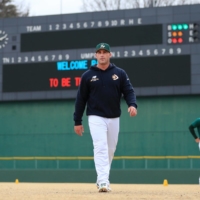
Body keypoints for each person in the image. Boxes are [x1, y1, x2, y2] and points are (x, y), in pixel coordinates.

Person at [73, 42, 137, 192]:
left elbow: (128, 91)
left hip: (114, 117)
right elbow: (80, 99)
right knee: (100, 146)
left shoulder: (119, 73)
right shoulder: (87, 75)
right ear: (95, 55)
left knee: (110, 149)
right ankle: (103, 181)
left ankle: (101, 177)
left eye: (105, 52)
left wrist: (132, 104)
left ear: (110, 54)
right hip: (95, 116)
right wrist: (77, 120)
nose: (102, 54)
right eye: (99, 52)